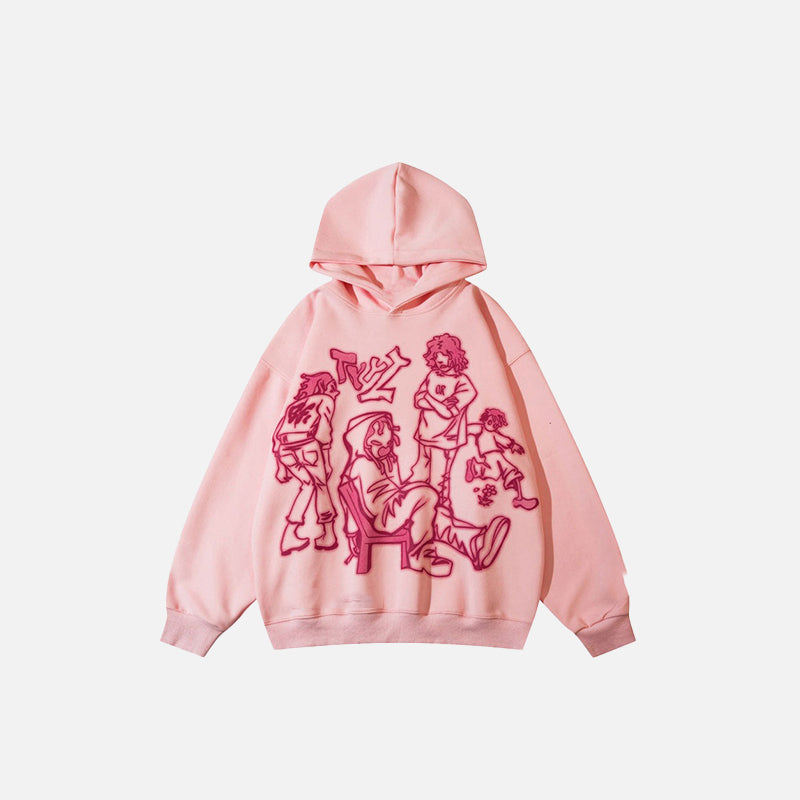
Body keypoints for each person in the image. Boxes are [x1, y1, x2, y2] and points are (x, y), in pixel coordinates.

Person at [273, 372, 339, 554]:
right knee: (321, 487)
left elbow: (278, 433)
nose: (335, 390)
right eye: (332, 386)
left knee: (308, 486)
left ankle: (289, 534)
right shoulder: (324, 400)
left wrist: (280, 467)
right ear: (324, 386)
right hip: (307, 446)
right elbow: (324, 429)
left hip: (285, 449)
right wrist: (326, 459)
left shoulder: (295, 404)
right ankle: (328, 533)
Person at [411, 333, 477, 511]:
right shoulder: (432, 375)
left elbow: (448, 413)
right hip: (424, 434)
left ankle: (440, 511)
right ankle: (419, 511)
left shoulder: (464, 383)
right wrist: (439, 404)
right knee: (420, 474)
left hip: (446, 439)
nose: (440, 360)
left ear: (454, 355)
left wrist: (429, 399)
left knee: (439, 479)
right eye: (436, 356)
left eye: (445, 355)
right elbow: (417, 401)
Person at [465, 408, 539, 511]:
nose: (491, 426)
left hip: (498, 458)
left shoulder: (493, 434)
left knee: (512, 473)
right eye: (490, 422)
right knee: (494, 474)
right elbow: (465, 428)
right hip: (490, 458)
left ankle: (520, 498)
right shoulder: (481, 430)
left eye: (495, 425)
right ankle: (473, 466)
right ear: (485, 420)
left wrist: (513, 445)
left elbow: (504, 440)